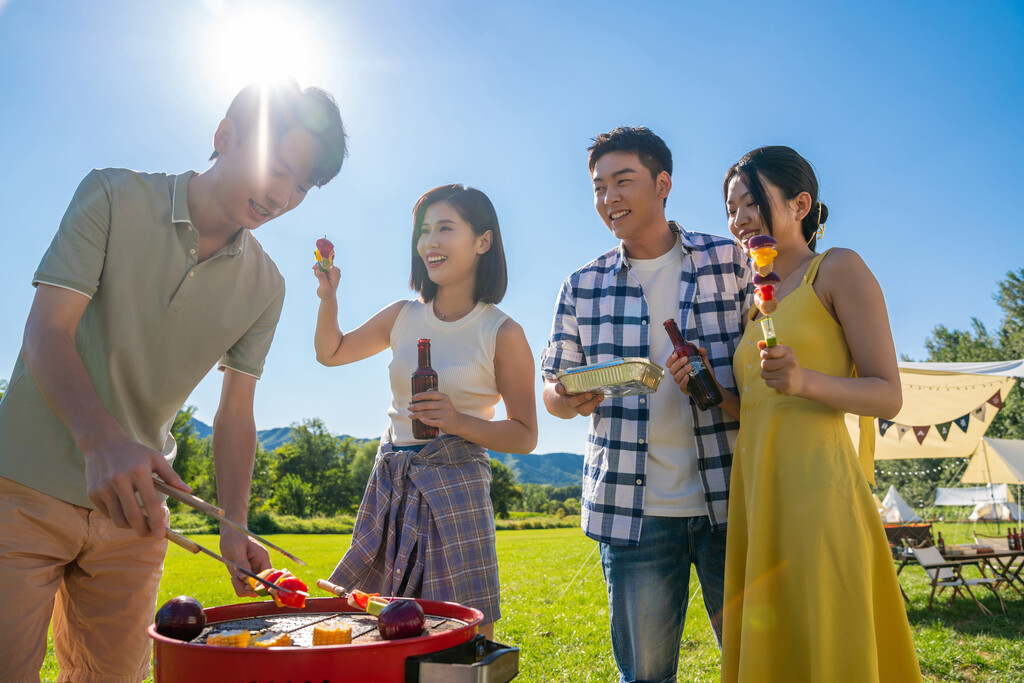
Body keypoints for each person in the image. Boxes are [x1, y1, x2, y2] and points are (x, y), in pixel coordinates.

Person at [0, 79, 347, 682]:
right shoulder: (111, 194)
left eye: (302, 185)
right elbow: (46, 333)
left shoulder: (268, 287)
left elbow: (237, 411)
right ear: (225, 136)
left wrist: (233, 526)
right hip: (22, 490)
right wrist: (101, 441)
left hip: (134, 520)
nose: (284, 195)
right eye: (278, 168)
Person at [540, 126, 751, 683]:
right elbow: (552, 390)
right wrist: (567, 397)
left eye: (622, 181)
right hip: (633, 513)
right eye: (598, 186)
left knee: (757, 664)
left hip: (733, 499)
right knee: (647, 676)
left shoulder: (729, 260)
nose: (609, 197)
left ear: (663, 183)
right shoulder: (581, 285)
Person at [718, 146, 922, 681]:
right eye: (731, 208)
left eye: (751, 204)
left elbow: (887, 395)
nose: (739, 220)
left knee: (825, 630)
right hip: (757, 490)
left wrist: (805, 380)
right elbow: (763, 407)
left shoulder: (837, 269)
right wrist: (709, 391)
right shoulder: (753, 303)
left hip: (817, 488)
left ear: (801, 203)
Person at [313, 184, 537, 638]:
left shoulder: (501, 331)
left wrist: (456, 421)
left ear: (483, 241)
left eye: (445, 229)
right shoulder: (401, 315)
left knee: (461, 631)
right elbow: (331, 352)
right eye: (424, 231)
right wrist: (328, 297)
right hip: (391, 480)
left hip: (457, 484)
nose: (430, 242)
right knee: (373, 623)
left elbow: (524, 435)